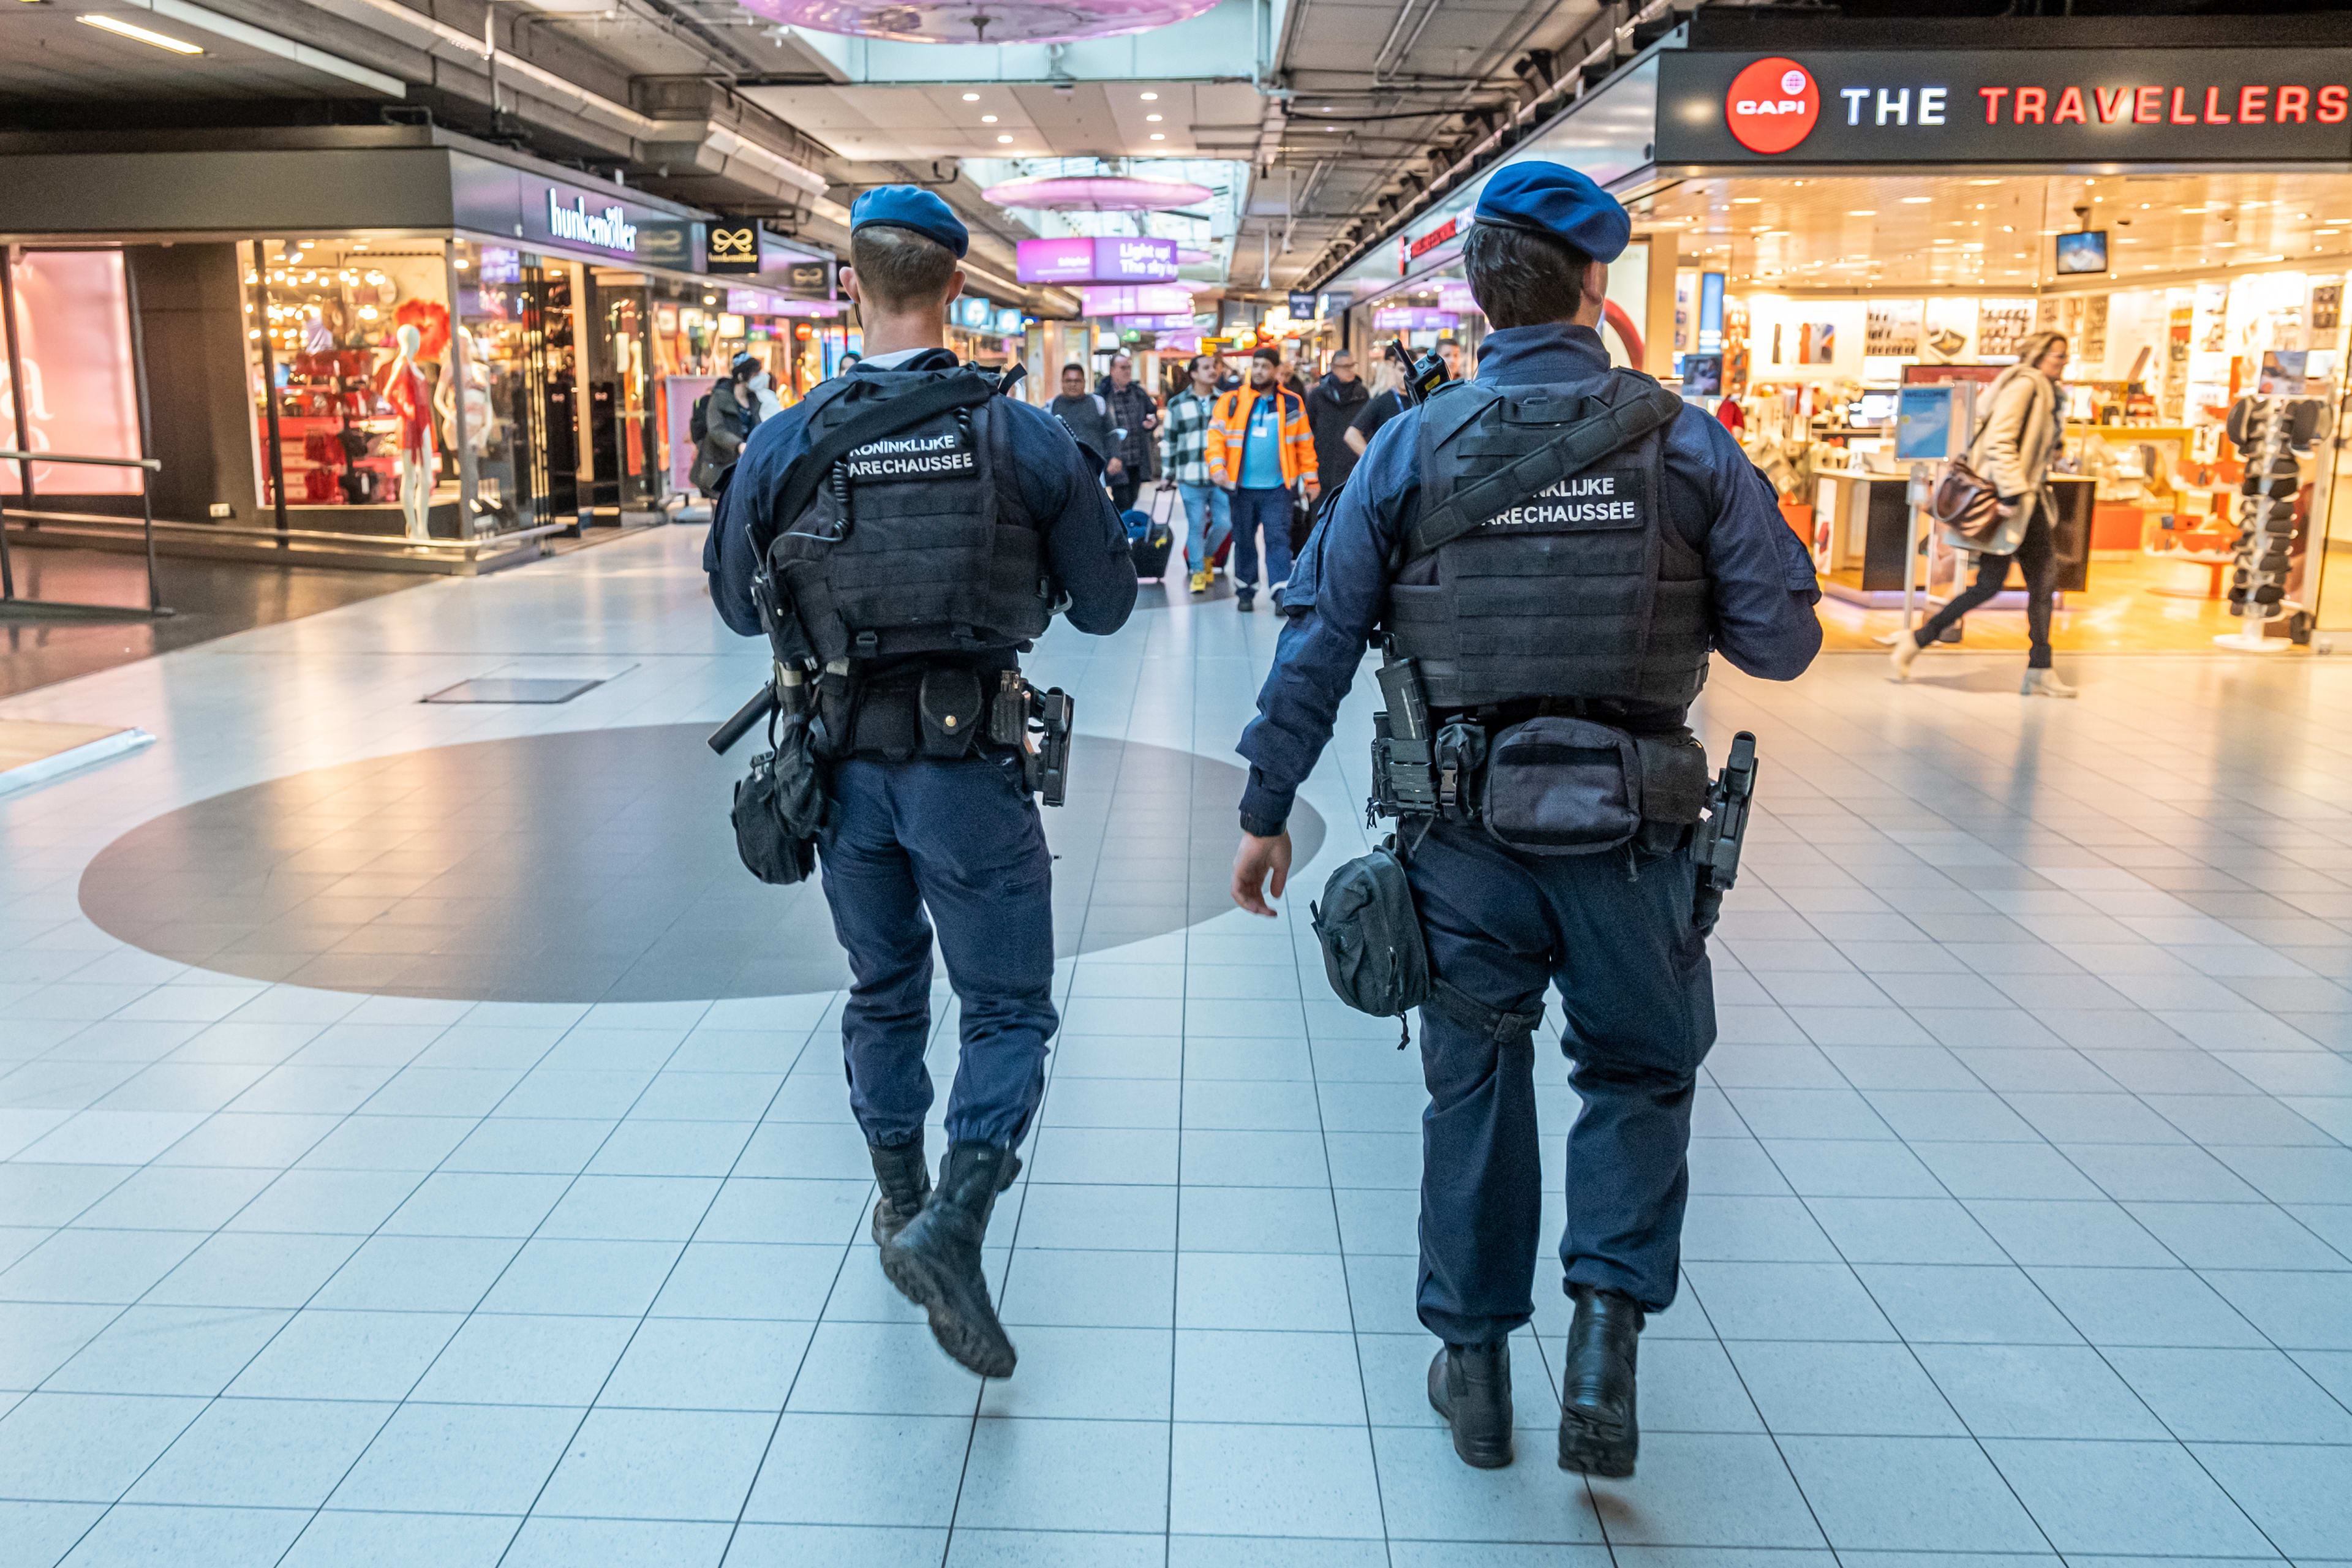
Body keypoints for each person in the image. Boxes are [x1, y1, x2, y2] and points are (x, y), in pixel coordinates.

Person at [1229, 162, 1820, 1479]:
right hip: (1637, 834)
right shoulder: (1683, 439)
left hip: (1466, 836)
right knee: (1636, 1072)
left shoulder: (1409, 445)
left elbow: (1320, 640)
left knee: (1475, 1077)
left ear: (1474, 297)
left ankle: (1479, 1370)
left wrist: (1267, 807)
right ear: (1597, 286)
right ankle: (1605, 1341)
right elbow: (1781, 641)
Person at [704, 186, 1137, 1379]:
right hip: (969, 772)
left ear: (855, 286)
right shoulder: (1023, 435)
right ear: (959, 286)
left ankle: (900, 1207)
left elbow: (738, 603)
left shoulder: (788, 437)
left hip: (839, 774)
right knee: (1006, 1007)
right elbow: (1104, 606)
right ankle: (956, 1214)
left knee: (882, 988)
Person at [1890, 330, 2075, 697]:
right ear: (2038, 356)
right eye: (2057, 356)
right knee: (2040, 580)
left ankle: (1918, 641)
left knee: (2002, 584)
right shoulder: (2028, 386)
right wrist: (2009, 491)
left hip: (2025, 496)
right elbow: (2000, 440)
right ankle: (2039, 668)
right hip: (2018, 498)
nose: (2063, 362)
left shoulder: (2038, 389)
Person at [1207, 345, 1317, 611]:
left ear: (1277, 371)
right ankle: (1246, 589)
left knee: (1278, 539)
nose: (1259, 371)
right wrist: (1217, 466)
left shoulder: (1292, 402)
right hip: (1241, 488)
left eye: (1265, 367)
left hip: (1278, 488)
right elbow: (1215, 438)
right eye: (1255, 366)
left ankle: (1281, 591)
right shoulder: (1231, 401)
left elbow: (1304, 443)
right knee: (1243, 539)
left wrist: (1311, 480)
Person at [1162, 353, 1232, 595]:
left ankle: (1206, 558)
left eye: (1214, 367)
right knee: (1196, 524)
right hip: (1189, 475)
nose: (1212, 371)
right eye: (1206, 367)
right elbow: (1169, 441)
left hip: (1220, 476)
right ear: (1193, 374)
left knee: (1225, 523)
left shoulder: (1226, 402)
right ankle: (1198, 573)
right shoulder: (1177, 404)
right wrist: (1167, 473)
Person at [690, 351, 764, 493]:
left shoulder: (754, 400)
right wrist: (738, 445)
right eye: (755, 375)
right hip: (720, 465)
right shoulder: (719, 398)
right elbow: (716, 430)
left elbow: (758, 428)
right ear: (742, 376)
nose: (759, 379)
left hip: (744, 466)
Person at [1305, 349, 1369, 501]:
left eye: (1352, 365)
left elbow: (1368, 429)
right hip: (1322, 469)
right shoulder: (1318, 395)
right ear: (1333, 368)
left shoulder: (1362, 395)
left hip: (1351, 469)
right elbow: (1308, 430)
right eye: (1345, 366)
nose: (1350, 370)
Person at [1100, 351, 1160, 514]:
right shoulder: (1102, 395)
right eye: (1123, 368)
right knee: (1123, 501)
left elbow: (1152, 415)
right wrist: (1109, 456)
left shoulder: (1138, 393)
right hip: (1116, 459)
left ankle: (1123, 534)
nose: (1127, 371)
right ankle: (1121, 536)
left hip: (1137, 458)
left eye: (1129, 368)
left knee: (1132, 499)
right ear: (1112, 370)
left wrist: (1151, 423)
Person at [1050, 363, 1119, 486]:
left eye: (1077, 380)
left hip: (1094, 471)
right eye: (1069, 380)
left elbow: (1111, 433)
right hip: (1062, 473)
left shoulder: (1098, 403)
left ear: (1084, 382)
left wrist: (1115, 456)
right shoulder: (1051, 407)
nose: (1073, 384)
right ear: (1062, 382)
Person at [1345, 355, 1408, 459]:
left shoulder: (1424, 400)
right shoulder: (1382, 401)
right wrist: (1372, 461)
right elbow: (1351, 435)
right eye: (1402, 370)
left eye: (1410, 370)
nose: (1406, 375)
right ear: (1394, 370)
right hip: (1391, 470)